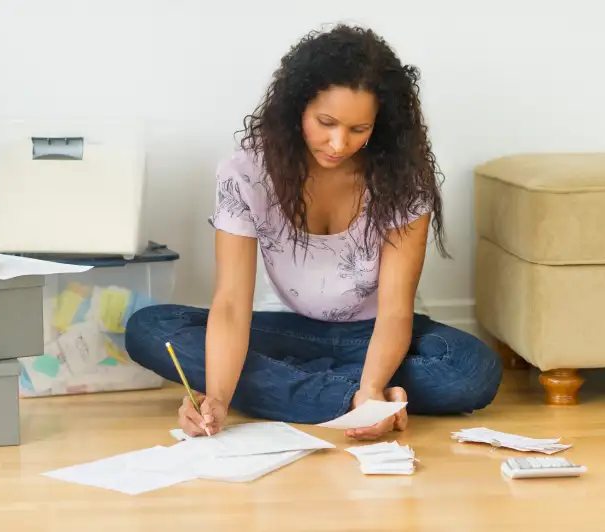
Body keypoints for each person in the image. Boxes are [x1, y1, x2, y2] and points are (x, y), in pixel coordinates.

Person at [125, 24, 502, 441]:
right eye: (326, 122)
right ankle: (358, 399)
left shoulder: (403, 178)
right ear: (297, 107)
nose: (339, 143)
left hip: (373, 333)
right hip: (288, 330)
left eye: (359, 129)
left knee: (471, 370)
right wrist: (216, 397)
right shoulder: (247, 172)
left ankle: (311, 392)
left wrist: (373, 386)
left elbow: (396, 309)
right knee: (149, 328)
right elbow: (231, 303)